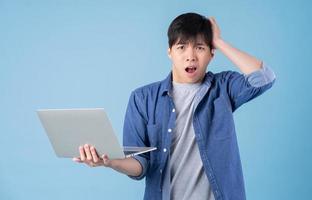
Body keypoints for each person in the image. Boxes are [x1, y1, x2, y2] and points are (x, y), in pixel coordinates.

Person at [73, 12, 276, 200]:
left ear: (211, 54)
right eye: (182, 47)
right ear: (169, 52)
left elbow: (264, 78)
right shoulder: (142, 99)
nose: (191, 56)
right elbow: (140, 165)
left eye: (199, 47)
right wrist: (109, 162)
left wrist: (219, 42)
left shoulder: (223, 88)